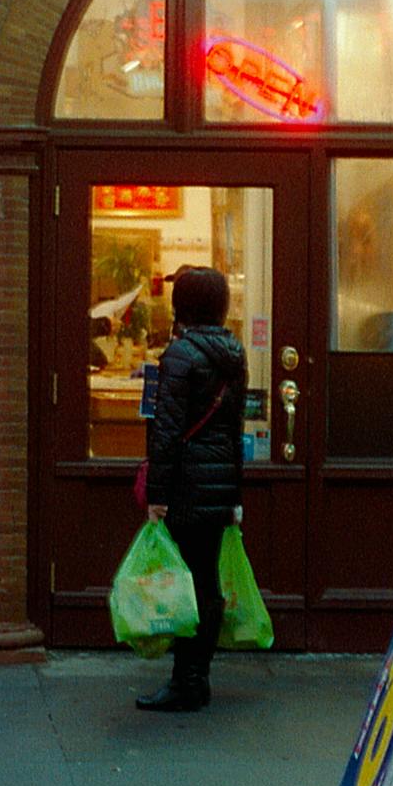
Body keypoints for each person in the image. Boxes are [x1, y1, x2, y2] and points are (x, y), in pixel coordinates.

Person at [137, 264, 247, 714]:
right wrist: (235, 493)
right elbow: (235, 429)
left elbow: (165, 432)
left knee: (185, 583)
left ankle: (186, 682)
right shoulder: (234, 352)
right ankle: (197, 677)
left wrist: (157, 495)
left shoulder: (181, 355)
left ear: (181, 304)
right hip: (219, 483)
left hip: (185, 485)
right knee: (206, 582)